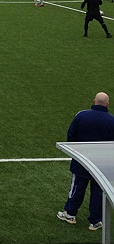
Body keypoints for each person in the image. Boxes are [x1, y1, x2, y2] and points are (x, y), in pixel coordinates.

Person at [57, 92, 114, 231]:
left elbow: (71, 135)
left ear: (94, 101)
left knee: (77, 187)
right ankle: (95, 221)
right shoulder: (112, 120)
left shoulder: (81, 115)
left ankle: (70, 214)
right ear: (107, 104)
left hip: (82, 159)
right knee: (98, 191)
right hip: (102, 163)